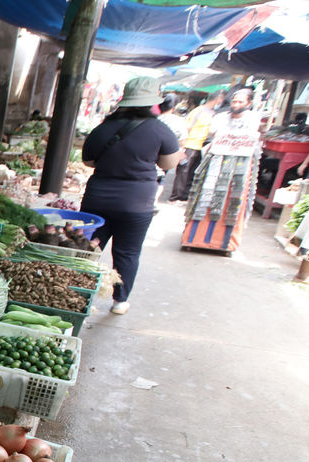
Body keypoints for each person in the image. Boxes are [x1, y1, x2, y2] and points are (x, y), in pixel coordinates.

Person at [80, 77, 182, 315]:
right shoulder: (160, 130)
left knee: (88, 248)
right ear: (152, 103)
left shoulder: (103, 127)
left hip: (98, 199)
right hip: (136, 202)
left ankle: (78, 293)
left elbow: (88, 161)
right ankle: (119, 301)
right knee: (127, 252)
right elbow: (168, 163)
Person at [181, 88, 262, 254]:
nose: (236, 105)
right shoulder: (220, 118)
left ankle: (224, 242)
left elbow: (252, 137)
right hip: (216, 162)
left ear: (249, 103)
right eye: (234, 101)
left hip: (240, 164)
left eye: (240, 102)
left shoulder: (253, 119)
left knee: (234, 198)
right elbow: (213, 133)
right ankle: (194, 238)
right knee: (205, 194)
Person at [170, 91, 225, 203]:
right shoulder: (199, 111)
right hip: (190, 144)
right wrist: (183, 146)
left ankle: (184, 196)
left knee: (193, 172)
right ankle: (175, 197)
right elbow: (188, 127)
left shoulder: (212, 113)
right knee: (183, 172)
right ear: (218, 99)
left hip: (201, 146)